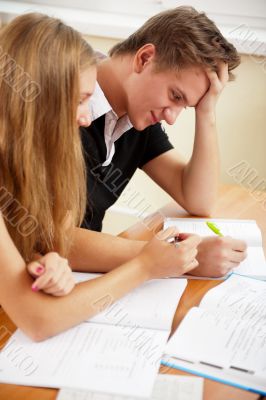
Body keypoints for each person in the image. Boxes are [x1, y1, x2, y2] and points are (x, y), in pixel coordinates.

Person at [0, 13, 201, 341]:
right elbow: (39, 322)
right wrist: (144, 267)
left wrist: (41, 260)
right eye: (80, 100)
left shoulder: (21, 162)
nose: (85, 118)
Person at [78, 6, 247, 277]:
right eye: (176, 96)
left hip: (74, 279)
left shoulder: (135, 118)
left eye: (185, 106)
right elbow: (50, 239)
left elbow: (198, 199)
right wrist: (182, 258)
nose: (171, 117)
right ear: (144, 59)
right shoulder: (70, 104)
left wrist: (206, 112)